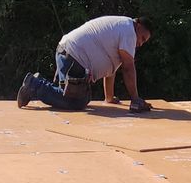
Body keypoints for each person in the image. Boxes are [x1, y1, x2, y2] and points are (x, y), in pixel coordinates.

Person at [17, 16, 153, 113]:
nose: (140, 43)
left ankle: (36, 84)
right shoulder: (129, 31)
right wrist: (136, 99)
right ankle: (34, 85)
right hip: (74, 58)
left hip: (68, 53)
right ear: (138, 26)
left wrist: (109, 98)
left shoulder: (122, 28)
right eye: (142, 38)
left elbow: (111, 71)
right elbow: (128, 68)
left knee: (71, 96)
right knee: (77, 102)